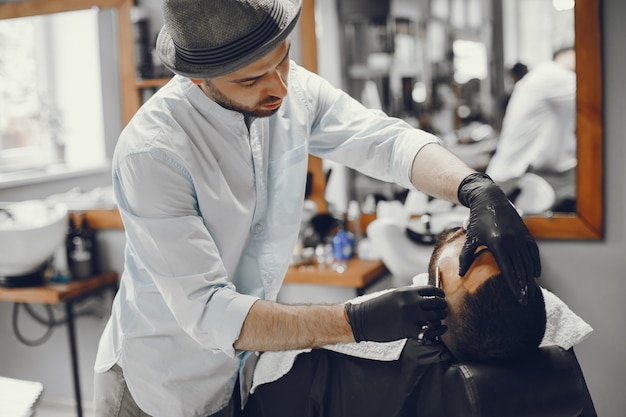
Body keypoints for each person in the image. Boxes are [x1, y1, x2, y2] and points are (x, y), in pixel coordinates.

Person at [93, 1, 540, 416]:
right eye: (251, 79)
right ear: (199, 78)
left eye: (283, 58)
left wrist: (476, 188)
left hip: (242, 375)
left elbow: (385, 142)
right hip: (159, 384)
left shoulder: (294, 90)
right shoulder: (152, 154)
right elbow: (211, 312)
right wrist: (355, 320)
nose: (280, 87)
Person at [243, 227, 546, 417]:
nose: (472, 237)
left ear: (434, 290)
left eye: (473, 259)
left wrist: (355, 321)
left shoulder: (312, 368)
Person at [487, 47, 577, 211]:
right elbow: (601, 97)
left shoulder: (545, 76)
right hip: (513, 181)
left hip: (515, 178)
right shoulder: (553, 75)